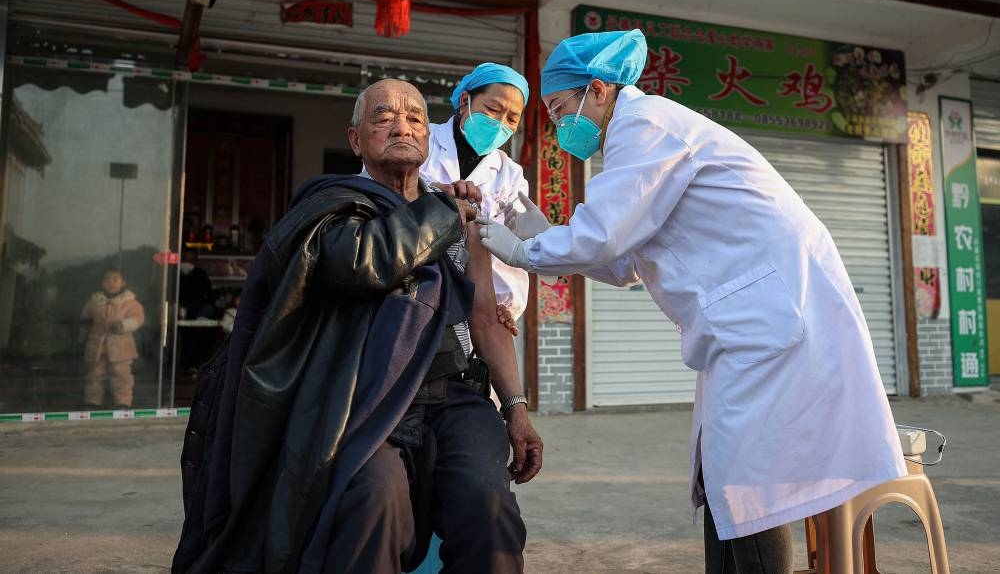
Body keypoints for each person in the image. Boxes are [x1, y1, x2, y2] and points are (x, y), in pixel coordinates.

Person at [478, 29, 906, 573]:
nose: (563, 126)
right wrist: (527, 223)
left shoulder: (645, 125)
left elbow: (604, 236)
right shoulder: (639, 139)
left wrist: (522, 249)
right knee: (725, 481)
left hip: (768, 320)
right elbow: (619, 263)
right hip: (748, 323)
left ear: (600, 90)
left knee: (747, 488)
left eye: (563, 109)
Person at [173, 79, 542, 574]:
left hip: (453, 395)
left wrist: (516, 408)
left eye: (414, 117)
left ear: (428, 140)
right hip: (364, 398)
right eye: (383, 117)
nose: (402, 125)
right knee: (373, 504)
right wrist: (440, 211)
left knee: (488, 506)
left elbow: (483, 318)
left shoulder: (460, 215)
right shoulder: (335, 209)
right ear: (355, 140)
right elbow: (361, 262)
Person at [421, 62, 532, 334]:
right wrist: (437, 194)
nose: (500, 123)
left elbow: (509, 249)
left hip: (472, 308)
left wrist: (506, 305)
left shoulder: (510, 175)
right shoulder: (422, 139)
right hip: (415, 288)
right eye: (493, 109)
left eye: (511, 118)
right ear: (464, 100)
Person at [79, 268, 145, 409]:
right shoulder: (95, 301)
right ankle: (92, 401)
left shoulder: (129, 302)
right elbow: (85, 319)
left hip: (121, 348)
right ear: (102, 283)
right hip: (97, 346)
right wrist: (82, 338)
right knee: (95, 375)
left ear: (123, 283)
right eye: (107, 280)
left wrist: (122, 325)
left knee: (121, 376)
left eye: (115, 280)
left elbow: (138, 318)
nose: (111, 283)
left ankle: (123, 402)